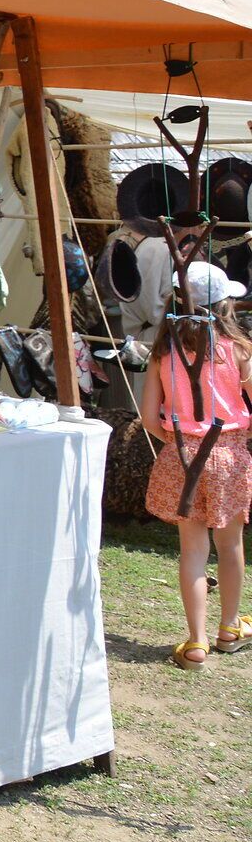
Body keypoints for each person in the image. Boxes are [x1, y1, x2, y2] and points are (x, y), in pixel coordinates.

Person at [139, 262, 252, 668]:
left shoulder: (162, 354)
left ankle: (197, 642)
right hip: (230, 453)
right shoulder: (239, 350)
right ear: (223, 307)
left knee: (192, 550)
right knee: (231, 544)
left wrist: (177, 439)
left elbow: (150, 418)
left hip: (182, 454)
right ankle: (229, 627)